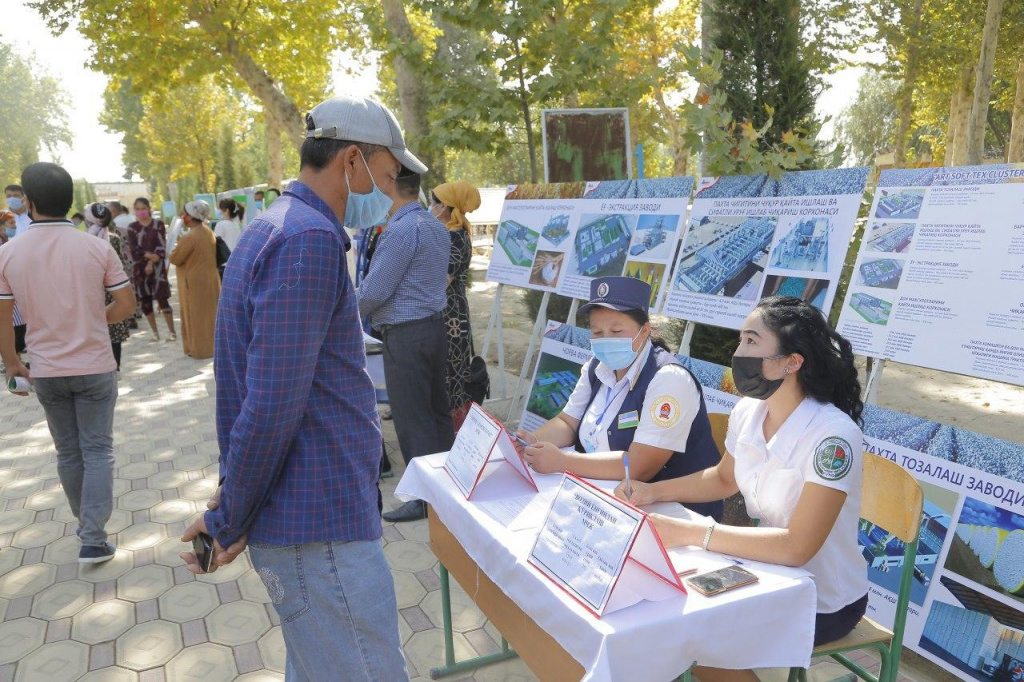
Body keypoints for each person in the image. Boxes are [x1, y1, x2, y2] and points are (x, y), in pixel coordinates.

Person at [179, 95, 413, 680]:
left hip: (309, 517)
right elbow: (271, 405)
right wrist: (231, 514)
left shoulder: (280, 227)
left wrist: (235, 504)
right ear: (352, 162)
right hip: (320, 523)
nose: (388, 193)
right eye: (386, 176)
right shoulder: (306, 240)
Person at [616, 296, 868, 680]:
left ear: (792, 361)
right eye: (740, 341)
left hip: (820, 599)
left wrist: (690, 533)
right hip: (765, 573)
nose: (738, 353)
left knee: (695, 636)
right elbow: (722, 478)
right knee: (664, 611)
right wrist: (652, 492)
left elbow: (797, 547)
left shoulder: (833, 437)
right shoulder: (750, 410)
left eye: (751, 342)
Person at [0, 163, 136, 564]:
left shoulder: (8, 252)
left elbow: (4, 317)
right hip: (95, 364)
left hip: (44, 370)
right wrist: (94, 320)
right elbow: (126, 305)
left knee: (68, 452)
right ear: (70, 201)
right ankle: (93, 536)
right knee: (97, 450)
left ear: (28, 201)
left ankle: (86, 527)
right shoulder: (95, 246)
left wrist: (12, 364)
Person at [518, 276, 724, 520]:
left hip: (671, 514)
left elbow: (640, 466)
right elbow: (567, 422)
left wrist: (562, 461)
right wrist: (531, 442)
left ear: (644, 330)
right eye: (597, 332)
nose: (606, 339)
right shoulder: (597, 366)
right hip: (601, 496)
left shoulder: (669, 379)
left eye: (616, 331)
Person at [359, 169, 452, 523]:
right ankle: (443, 489)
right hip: (433, 329)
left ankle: (423, 499)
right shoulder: (434, 227)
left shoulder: (400, 230)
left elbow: (375, 290)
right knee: (435, 412)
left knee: (413, 418)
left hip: (407, 334)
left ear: (387, 188)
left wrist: (337, 311)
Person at [430, 180, 481, 432]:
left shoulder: (456, 237)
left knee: (453, 375)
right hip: (447, 311)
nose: (430, 207)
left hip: (452, 316)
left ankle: (457, 437)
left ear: (444, 207)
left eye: (433, 202)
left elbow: (442, 280)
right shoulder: (450, 234)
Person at [169, 200, 220, 359]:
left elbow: (175, 258)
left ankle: (199, 349)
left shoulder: (190, 236)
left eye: (184, 214)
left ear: (190, 216)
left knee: (195, 317)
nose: (182, 216)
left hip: (194, 282)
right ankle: (213, 348)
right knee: (211, 315)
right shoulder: (208, 232)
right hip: (211, 279)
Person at [84, 204, 131, 370]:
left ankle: (103, 366)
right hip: (114, 291)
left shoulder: (84, 241)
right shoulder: (114, 238)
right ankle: (115, 366)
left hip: (94, 292)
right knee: (114, 330)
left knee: (98, 329)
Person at [127, 197, 177, 342]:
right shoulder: (132, 227)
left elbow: (162, 246)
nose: (141, 211)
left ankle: (172, 332)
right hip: (139, 269)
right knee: (145, 300)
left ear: (149, 208)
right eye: (138, 209)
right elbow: (134, 249)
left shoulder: (158, 224)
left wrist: (151, 262)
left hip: (158, 267)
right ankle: (155, 333)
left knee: (162, 298)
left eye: (143, 208)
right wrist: (148, 258)